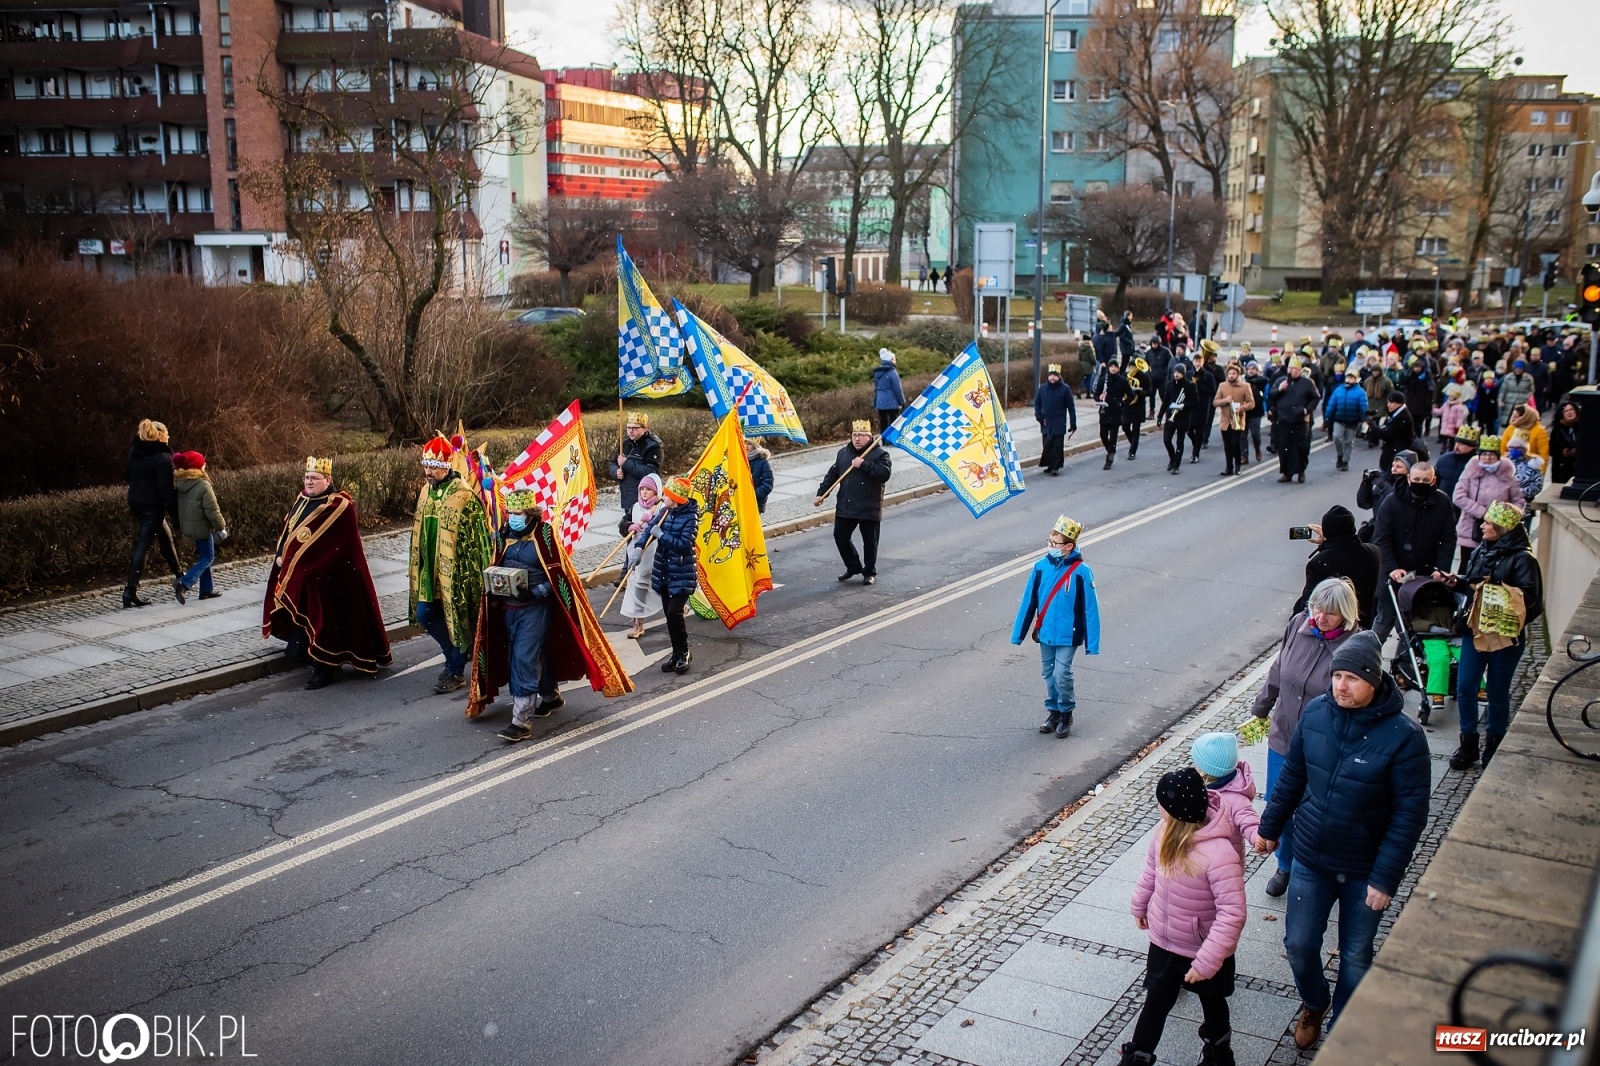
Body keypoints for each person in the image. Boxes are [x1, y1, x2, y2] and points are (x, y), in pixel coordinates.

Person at [1256, 630, 1431, 1047]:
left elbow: (1410, 816)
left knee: (1355, 955)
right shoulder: (1315, 714)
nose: (1340, 685)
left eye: (1352, 678)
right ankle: (1314, 1002)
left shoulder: (1405, 739)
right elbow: (1293, 777)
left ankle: (1341, 1031)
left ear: (1374, 680)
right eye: (1337, 676)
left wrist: (1385, 879)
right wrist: (1270, 827)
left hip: (1364, 869)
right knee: (1298, 944)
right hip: (1313, 858)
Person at [469, 489, 635, 729]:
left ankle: (521, 720)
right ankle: (550, 696)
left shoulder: (545, 535)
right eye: (510, 513)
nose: (512, 517)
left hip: (535, 609)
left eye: (518, 513)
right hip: (507, 609)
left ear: (530, 513)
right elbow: (496, 565)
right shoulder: (504, 534)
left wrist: (535, 592)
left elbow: (559, 576)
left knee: (524, 658)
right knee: (532, 653)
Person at [1121, 768, 1246, 1066]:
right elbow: (1150, 871)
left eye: (1161, 802)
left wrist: (1207, 961)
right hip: (1165, 941)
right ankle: (1137, 1057)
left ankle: (1219, 1052)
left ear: (1175, 809)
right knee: (1156, 1002)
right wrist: (1140, 905)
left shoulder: (1219, 854)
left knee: (1212, 1000)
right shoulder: (1163, 833)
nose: (1157, 807)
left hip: (1202, 948)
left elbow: (1233, 912)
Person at [1252, 577, 1360, 897]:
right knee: (1279, 805)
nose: (1319, 617)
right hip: (1284, 737)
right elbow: (1279, 667)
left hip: (1323, 746)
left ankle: (1314, 868)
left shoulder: (1355, 644)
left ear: (1346, 613)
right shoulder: (1299, 624)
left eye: (1329, 612)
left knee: (1316, 812)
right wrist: (1262, 706)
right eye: (1316, 607)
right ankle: (1285, 865)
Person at [263, 457, 392, 689]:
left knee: (326, 621)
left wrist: (303, 565)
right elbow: (290, 531)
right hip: (305, 573)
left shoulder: (340, 505)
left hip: (334, 576)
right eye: (306, 477)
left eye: (314, 478)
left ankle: (327, 667)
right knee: (305, 619)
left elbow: (337, 544)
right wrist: (281, 555)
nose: (309, 482)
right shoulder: (302, 499)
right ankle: (308, 652)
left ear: (328, 480)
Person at [1439, 500, 1543, 771]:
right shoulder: (1481, 550)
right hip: (1476, 631)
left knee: (1497, 692)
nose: (1481, 525)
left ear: (1502, 528)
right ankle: (1468, 744)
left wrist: (1497, 599)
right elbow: (1473, 587)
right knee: (1465, 688)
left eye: (1487, 522)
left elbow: (1532, 601)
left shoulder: (1524, 559)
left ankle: (1493, 744)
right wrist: (1458, 582)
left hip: (1506, 638)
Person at [409, 435, 493, 694]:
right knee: (425, 615)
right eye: (425, 465)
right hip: (429, 571)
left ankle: (455, 669)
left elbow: (477, 540)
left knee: (457, 620)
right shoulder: (425, 491)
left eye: (433, 466)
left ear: (446, 466)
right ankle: (454, 654)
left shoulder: (464, 496)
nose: (428, 472)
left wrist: (473, 574)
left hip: (457, 574)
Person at [1009, 515, 1101, 738]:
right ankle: (1053, 711)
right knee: (1048, 673)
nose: (1050, 547)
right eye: (1049, 541)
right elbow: (1029, 600)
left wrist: (1092, 644)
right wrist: (1018, 634)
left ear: (1068, 546)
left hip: (1070, 634)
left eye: (1055, 543)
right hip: (1046, 632)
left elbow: (1090, 609)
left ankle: (1066, 712)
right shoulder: (1040, 567)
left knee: (1062, 673)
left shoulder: (1082, 571)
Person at [1371, 461, 1455, 644]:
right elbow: (1382, 538)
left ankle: (1408, 667)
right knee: (1384, 621)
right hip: (1392, 574)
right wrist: (1392, 567)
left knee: (1415, 626)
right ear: (1409, 479)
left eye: (1425, 480)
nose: (1420, 483)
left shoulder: (1442, 503)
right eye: (1416, 479)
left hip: (1424, 576)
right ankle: (1365, 661)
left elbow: (1448, 539)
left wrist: (1441, 569)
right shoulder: (1391, 502)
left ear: (1433, 481)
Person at [815, 420, 893, 584]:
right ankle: (853, 566)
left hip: (869, 506)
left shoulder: (880, 455)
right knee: (840, 536)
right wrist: (821, 493)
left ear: (869, 436)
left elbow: (884, 474)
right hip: (846, 504)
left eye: (861, 435)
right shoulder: (843, 453)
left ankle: (869, 573)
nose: (857, 439)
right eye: (854, 435)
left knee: (870, 543)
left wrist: (864, 464)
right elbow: (834, 473)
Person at [123, 418, 184, 609]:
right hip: (152, 506)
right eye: (166, 433)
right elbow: (166, 491)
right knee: (144, 546)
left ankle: (181, 576)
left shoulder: (136, 452)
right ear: (158, 436)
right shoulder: (162, 458)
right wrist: (177, 516)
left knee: (165, 537)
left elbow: (127, 476)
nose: (168, 436)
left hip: (136, 502)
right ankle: (130, 590)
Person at [1293, 505, 1379, 629]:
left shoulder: (1319, 564)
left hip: (1334, 632)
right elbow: (1351, 548)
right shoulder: (1374, 553)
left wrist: (1326, 545)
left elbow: (1309, 603)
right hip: (1362, 627)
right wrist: (1330, 543)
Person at [652, 476, 700, 674]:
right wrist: (638, 548)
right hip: (665, 571)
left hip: (682, 572)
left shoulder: (690, 517)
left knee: (674, 613)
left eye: (666, 495)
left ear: (676, 498)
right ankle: (676, 653)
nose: (663, 497)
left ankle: (684, 652)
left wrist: (662, 535)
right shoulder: (665, 511)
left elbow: (684, 545)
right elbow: (649, 530)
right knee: (669, 616)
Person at [1452, 438, 1523, 570]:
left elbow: (1518, 501)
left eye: (1492, 454)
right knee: (1467, 566)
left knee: (1492, 567)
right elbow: (1458, 496)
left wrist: (1504, 518)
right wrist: (1483, 513)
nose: (1488, 458)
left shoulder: (1508, 476)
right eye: (1484, 454)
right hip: (1471, 527)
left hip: (1497, 530)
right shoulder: (1470, 472)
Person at [1192, 731, 1261, 860]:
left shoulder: (1236, 798)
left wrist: (1258, 837)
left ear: (1204, 769)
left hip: (1225, 863)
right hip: (1198, 861)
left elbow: (1249, 821)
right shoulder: (1195, 789)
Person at [171, 450, 226, 604]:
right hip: (202, 528)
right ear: (197, 467)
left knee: (204, 556)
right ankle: (184, 583)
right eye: (203, 463)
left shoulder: (181, 484)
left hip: (190, 527)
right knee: (208, 557)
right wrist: (221, 527)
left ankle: (206, 591)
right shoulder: (203, 485)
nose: (205, 465)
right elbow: (212, 510)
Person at [620, 473, 664, 640]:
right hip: (639, 553)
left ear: (656, 491)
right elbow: (622, 524)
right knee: (638, 585)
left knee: (661, 585)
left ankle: (677, 607)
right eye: (642, 489)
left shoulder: (662, 508)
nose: (644, 492)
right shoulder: (635, 507)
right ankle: (638, 623)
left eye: (649, 490)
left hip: (658, 552)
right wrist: (630, 526)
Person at [611, 412, 662, 537]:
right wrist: (615, 472)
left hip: (645, 499)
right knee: (630, 531)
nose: (631, 431)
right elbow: (612, 463)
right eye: (628, 428)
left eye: (635, 428)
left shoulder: (653, 446)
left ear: (644, 428)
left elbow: (651, 472)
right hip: (628, 497)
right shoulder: (625, 444)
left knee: (644, 533)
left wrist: (626, 464)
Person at [1269, 358, 1320, 483]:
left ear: (1300, 370)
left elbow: (1315, 398)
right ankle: (1287, 473)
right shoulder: (1281, 381)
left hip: (1300, 420)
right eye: (1290, 368)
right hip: (1283, 420)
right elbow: (1271, 395)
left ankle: (1301, 471)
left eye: (1294, 369)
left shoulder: (1307, 383)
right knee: (1284, 448)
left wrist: (1306, 410)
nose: (1291, 371)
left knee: (1301, 447)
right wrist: (1279, 389)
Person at [1034, 363, 1078, 476]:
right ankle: (1049, 464)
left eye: (1055, 375)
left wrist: (1073, 423)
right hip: (1045, 421)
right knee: (1047, 444)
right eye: (1050, 375)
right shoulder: (1043, 388)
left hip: (1059, 421)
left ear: (1059, 376)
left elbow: (1071, 407)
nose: (1052, 378)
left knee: (1057, 446)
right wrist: (1038, 416)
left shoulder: (1065, 389)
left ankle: (1055, 466)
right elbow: (1037, 403)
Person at [1212, 362, 1255, 476]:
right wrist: (1225, 401)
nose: (1231, 375)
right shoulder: (1222, 386)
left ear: (1238, 375)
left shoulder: (1245, 386)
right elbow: (1215, 402)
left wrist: (1241, 408)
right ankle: (1228, 467)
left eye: (1234, 373)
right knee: (1227, 445)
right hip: (1225, 419)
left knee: (1235, 443)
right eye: (1229, 373)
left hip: (1238, 419)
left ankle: (1238, 465)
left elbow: (1251, 403)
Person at [1159, 362, 1201, 473]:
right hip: (1171, 415)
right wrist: (1159, 416)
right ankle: (1172, 458)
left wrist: (1183, 405)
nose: (1176, 374)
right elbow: (1165, 401)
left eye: (1179, 372)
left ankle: (1176, 465)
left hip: (1183, 417)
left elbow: (1195, 401)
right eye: (1175, 372)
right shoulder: (1169, 384)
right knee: (1167, 440)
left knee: (1180, 442)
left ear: (1183, 373)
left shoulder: (1190, 385)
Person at [1323, 368, 1368, 472]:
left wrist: (1364, 419)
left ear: (1356, 379)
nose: (1349, 379)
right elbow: (1331, 405)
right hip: (1339, 419)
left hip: (1352, 420)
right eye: (1348, 377)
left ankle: (1345, 461)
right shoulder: (1339, 390)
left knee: (1349, 441)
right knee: (1337, 437)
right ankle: (1340, 454)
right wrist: (1327, 418)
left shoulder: (1360, 392)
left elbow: (1364, 407)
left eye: (1352, 377)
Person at [1096, 359, 1134, 469]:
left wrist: (1122, 403)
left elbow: (1130, 395)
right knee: (1103, 435)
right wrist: (1099, 397)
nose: (1113, 368)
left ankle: (1109, 458)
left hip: (1116, 411)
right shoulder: (1103, 380)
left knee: (1113, 436)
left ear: (1118, 368)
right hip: (1104, 411)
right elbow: (1096, 394)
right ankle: (1110, 451)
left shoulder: (1122, 380)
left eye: (1115, 366)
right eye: (1111, 366)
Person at [1435, 424, 1478, 504]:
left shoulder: (1477, 464)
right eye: (1457, 442)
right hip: (1443, 504)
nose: (1457, 446)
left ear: (1473, 447)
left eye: (1462, 444)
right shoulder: (1444, 459)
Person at [1375, 391, 1415, 471]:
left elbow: (1387, 434)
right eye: (1388, 402)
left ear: (1399, 403)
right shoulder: (1395, 414)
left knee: (1388, 476)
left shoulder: (1403, 417)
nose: (1388, 405)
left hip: (1396, 453)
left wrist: (1373, 427)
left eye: (1391, 402)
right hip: (1391, 452)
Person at [873, 348, 906, 432]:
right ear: (890, 360)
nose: (895, 361)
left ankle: (884, 440)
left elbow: (876, 388)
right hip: (892, 402)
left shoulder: (877, 372)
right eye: (894, 359)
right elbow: (897, 389)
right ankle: (892, 439)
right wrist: (902, 401)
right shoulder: (892, 372)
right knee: (894, 422)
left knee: (883, 421)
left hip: (880, 402)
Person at [1244, 362, 1268, 464]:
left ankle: (1257, 448)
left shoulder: (1262, 381)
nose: (1251, 370)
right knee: (1242, 435)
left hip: (1256, 411)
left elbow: (1266, 393)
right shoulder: (1243, 380)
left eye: (1253, 368)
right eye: (1249, 368)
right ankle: (1244, 455)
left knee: (1255, 434)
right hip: (1243, 411)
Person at [1551, 399, 1580, 485]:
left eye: (1571, 410)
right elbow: (1553, 450)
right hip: (1563, 468)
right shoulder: (1557, 430)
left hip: (1579, 466)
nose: (1569, 412)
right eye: (1566, 411)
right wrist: (1566, 452)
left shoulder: (1582, 426)